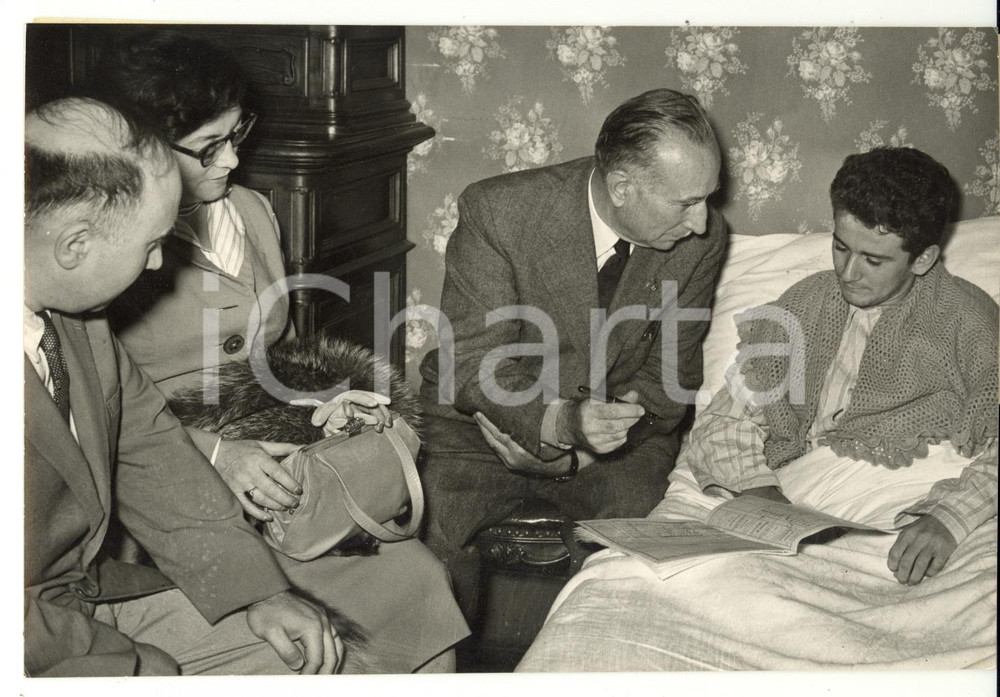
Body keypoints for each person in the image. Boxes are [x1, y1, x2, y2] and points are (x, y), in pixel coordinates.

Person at [89, 32, 468, 672]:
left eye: (238, 135)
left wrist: (329, 405)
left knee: (421, 574)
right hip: (162, 517)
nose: (233, 161)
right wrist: (215, 453)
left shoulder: (251, 210)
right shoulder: (110, 251)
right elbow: (99, 409)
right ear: (138, 150)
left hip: (282, 488)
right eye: (211, 147)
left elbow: (280, 351)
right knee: (320, 639)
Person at [24, 97, 342, 676]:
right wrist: (133, 668)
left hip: (80, 600)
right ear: (75, 244)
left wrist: (257, 593)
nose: (154, 268)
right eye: (150, 245)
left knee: (306, 654)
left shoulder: (78, 322)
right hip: (31, 639)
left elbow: (152, 453)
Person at [418, 89, 728, 573]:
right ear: (622, 186)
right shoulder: (498, 211)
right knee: (424, 549)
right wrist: (561, 423)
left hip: (617, 450)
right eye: (686, 202)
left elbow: (670, 382)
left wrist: (575, 458)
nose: (702, 222)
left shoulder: (699, 243)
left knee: (637, 558)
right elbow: (473, 361)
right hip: (478, 431)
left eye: (707, 198)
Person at [687, 146, 998, 585]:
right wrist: (763, 496)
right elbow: (723, 421)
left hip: (918, 508)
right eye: (840, 247)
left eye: (873, 260)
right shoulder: (803, 306)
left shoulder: (970, 321)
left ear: (923, 259)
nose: (849, 272)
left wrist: (951, 518)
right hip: (805, 504)